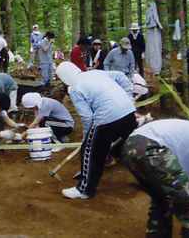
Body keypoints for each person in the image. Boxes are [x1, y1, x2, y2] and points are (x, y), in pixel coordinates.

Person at [55, 62, 137, 199]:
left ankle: (84, 189)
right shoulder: (95, 73)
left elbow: (87, 118)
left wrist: (88, 140)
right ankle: (151, 178)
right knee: (133, 147)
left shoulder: (75, 89)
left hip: (107, 116)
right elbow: (121, 76)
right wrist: (128, 95)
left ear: (65, 77)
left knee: (89, 151)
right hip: (128, 112)